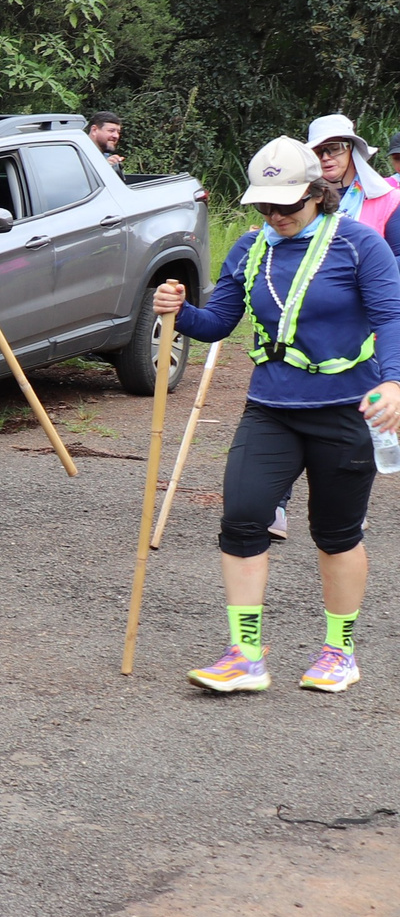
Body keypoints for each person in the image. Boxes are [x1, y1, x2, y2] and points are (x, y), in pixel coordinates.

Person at [154, 135, 400, 694]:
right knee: (241, 519)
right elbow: (217, 323)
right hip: (271, 408)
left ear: (319, 193)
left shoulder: (361, 244)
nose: (276, 215)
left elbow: (391, 317)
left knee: (335, 534)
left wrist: (394, 382)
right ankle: (245, 655)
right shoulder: (249, 248)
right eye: (265, 205)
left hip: (344, 410)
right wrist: (179, 311)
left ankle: (339, 651)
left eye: (288, 204)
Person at [308, 113, 395, 239]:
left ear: (352, 149)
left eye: (335, 148)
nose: (326, 157)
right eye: (317, 152)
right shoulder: (303, 198)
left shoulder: (388, 199)